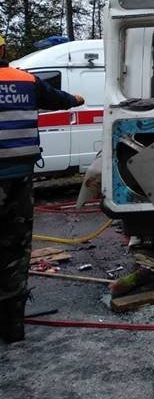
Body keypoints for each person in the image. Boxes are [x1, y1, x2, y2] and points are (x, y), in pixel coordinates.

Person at [1, 34, 84, 343]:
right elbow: (60, 99)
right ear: (3, 50)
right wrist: (77, 99)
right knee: (15, 250)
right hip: (19, 179)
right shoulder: (24, 80)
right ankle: (13, 326)